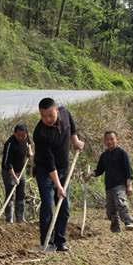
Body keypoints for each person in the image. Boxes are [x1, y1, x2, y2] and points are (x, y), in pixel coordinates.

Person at [33, 98, 84, 251]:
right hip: (45, 171)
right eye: (43, 116)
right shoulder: (40, 133)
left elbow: (71, 127)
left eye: (50, 115)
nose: (46, 119)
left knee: (64, 207)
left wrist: (75, 141)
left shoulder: (65, 113)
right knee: (48, 205)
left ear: (56, 110)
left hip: (64, 168)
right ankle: (47, 242)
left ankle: (60, 241)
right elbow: (49, 163)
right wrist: (58, 186)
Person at [89, 131, 133, 232]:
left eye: (112, 139)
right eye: (107, 139)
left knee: (121, 203)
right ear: (104, 141)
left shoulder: (122, 153)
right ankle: (115, 227)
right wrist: (90, 174)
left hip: (120, 185)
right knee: (110, 209)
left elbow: (128, 171)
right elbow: (99, 171)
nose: (109, 141)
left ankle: (129, 222)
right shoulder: (104, 156)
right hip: (109, 186)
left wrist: (129, 186)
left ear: (116, 140)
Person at [1, 124, 33, 223]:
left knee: (21, 193)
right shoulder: (10, 143)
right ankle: (9, 219)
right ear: (14, 134)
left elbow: (29, 144)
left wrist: (30, 152)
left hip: (21, 170)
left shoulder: (26, 138)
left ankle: (20, 218)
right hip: (9, 172)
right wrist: (14, 177)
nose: (21, 138)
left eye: (23, 135)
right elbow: (7, 163)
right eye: (19, 135)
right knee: (11, 194)